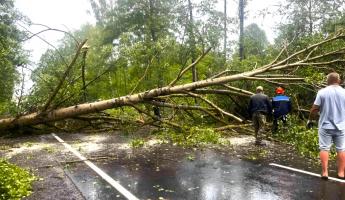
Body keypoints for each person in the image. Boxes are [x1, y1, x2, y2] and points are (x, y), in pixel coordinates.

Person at [307, 72, 345, 180]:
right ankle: (341, 173)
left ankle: (325, 172)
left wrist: (310, 120)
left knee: (324, 148)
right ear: (339, 81)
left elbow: (314, 109)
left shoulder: (322, 92)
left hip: (325, 125)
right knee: (341, 149)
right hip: (342, 126)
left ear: (328, 81)